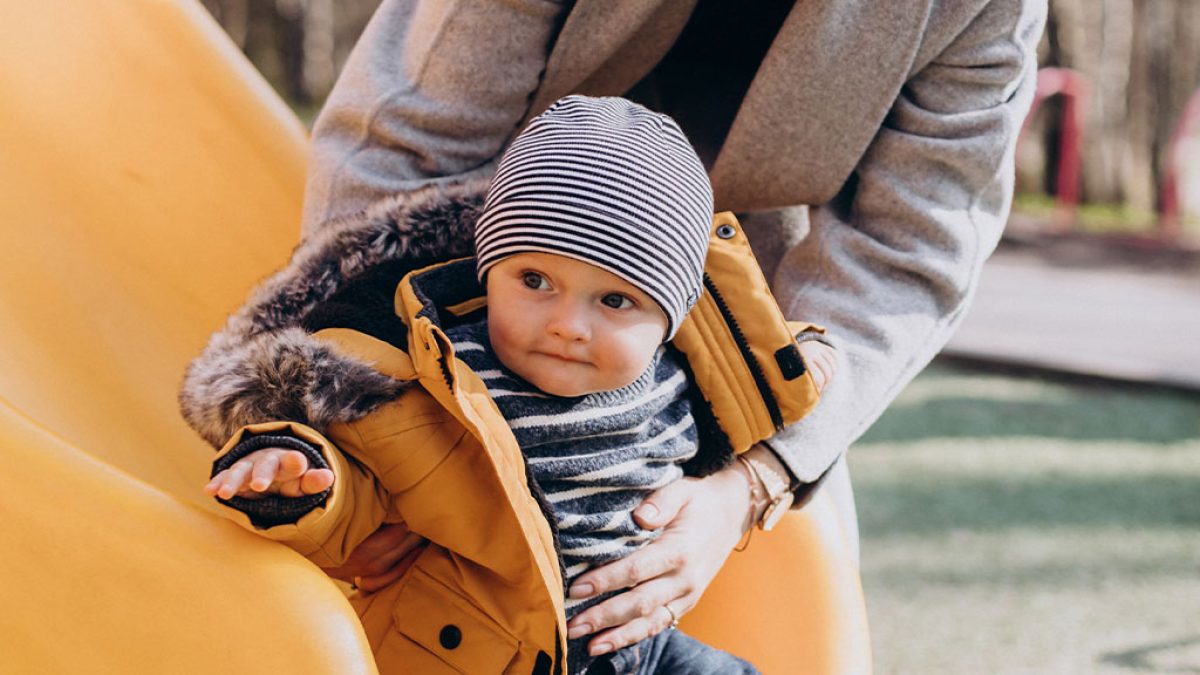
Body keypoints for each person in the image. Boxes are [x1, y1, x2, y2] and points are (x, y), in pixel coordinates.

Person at [186, 0, 1046, 662]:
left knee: (800, 597)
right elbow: (412, 134)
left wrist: (752, 483)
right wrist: (360, 406)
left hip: (724, 279)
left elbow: (909, 245)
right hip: (504, 229)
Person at [192, 96, 836, 674]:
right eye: (534, 281)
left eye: (615, 300)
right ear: (487, 273)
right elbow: (365, 496)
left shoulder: (685, 381)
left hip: (630, 644)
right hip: (463, 646)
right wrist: (299, 477)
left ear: (672, 318)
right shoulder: (435, 375)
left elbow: (775, 384)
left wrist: (811, 360)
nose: (566, 326)